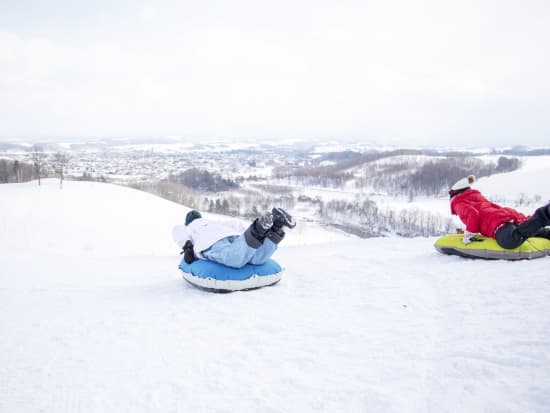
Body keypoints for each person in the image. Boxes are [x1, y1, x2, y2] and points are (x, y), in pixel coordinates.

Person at [172, 207, 296, 268]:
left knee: (234, 259)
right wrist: (249, 233)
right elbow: (234, 224)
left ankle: (259, 230)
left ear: (188, 222)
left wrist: (188, 246)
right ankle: (276, 228)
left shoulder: (189, 227)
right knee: (257, 258)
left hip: (210, 243)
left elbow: (177, 231)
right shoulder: (212, 221)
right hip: (233, 236)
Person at [449, 175, 550, 249]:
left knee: (510, 241)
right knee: (524, 230)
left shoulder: (458, 203)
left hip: (499, 225)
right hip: (505, 217)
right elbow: (495, 207)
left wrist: (470, 234)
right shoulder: (477, 198)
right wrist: (519, 219)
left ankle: (545, 213)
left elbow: (473, 214)